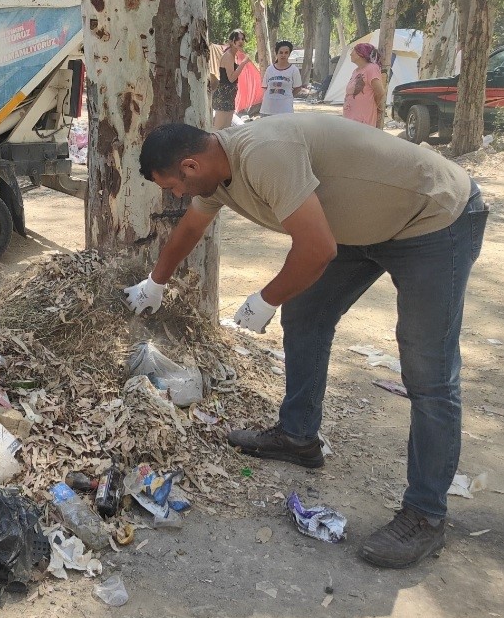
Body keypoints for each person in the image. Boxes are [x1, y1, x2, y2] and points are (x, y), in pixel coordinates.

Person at [124, 115, 487, 569]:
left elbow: (317, 249)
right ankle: (298, 437)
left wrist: (265, 299)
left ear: (192, 165)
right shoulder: (214, 177)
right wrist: (154, 283)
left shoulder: (262, 153)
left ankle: (426, 515)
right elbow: (190, 231)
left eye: (174, 186)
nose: (177, 196)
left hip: (432, 217)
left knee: (426, 368)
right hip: (361, 226)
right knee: (308, 314)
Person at [213, 29, 253, 129]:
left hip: (229, 94)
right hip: (223, 95)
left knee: (226, 128)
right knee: (219, 129)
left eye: (243, 39)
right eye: (238, 39)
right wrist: (243, 63)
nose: (241, 42)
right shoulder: (228, 56)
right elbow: (231, 78)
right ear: (231, 41)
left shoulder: (233, 56)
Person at [343, 43, 386, 127]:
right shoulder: (355, 71)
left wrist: (375, 105)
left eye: (353, 51)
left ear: (361, 54)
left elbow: (380, 91)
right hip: (350, 115)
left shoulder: (371, 68)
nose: (351, 54)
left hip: (362, 118)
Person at [259, 40, 305, 116]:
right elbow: (264, 87)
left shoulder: (294, 70)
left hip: (285, 110)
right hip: (267, 109)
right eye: (281, 52)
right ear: (276, 53)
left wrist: (288, 96)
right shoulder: (269, 69)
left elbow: (298, 88)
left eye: (286, 53)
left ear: (289, 54)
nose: (283, 55)